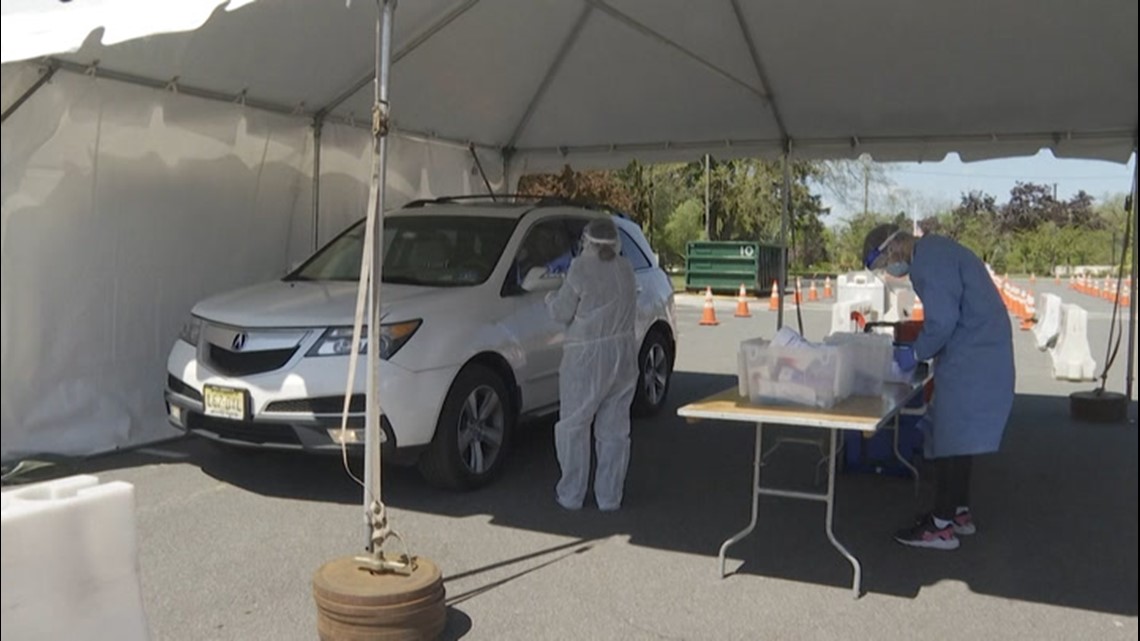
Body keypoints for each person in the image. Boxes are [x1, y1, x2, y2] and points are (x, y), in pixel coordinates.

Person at [862, 224, 1015, 550]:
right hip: (980, 351)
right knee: (961, 439)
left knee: (949, 437)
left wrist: (916, 352)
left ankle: (941, 525)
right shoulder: (936, 252)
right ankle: (958, 512)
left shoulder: (929, 261)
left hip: (973, 356)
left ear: (893, 249)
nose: (889, 272)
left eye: (884, 265)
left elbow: (942, 321)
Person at [545, 218, 638, 511]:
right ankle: (609, 497)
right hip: (623, 355)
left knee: (574, 424)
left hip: (586, 358)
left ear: (587, 240)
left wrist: (550, 295)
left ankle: (571, 495)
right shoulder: (625, 268)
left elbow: (561, 313)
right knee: (614, 430)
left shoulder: (580, 269)